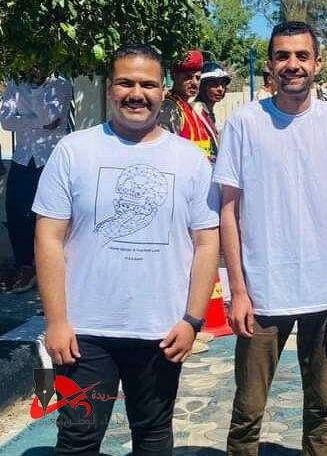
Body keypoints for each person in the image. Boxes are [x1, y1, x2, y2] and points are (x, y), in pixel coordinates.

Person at [33, 44, 220, 455]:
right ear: (109, 89)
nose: (137, 94)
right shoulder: (74, 151)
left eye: (148, 84)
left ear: (162, 90)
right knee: (78, 439)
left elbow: (207, 243)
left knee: (153, 436)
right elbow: (48, 237)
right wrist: (57, 321)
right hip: (84, 333)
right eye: (126, 83)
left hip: (161, 331)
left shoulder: (190, 159)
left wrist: (192, 319)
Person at [214, 21, 327, 455]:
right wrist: (238, 291)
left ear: (317, 63)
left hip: (323, 290)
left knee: (321, 407)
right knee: (247, 411)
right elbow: (228, 210)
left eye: (301, 55)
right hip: (263, 292)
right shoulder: (245, 123)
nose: (292, 65)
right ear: (270, 64)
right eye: (283, 56)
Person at [0, 72, 72, 292]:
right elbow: (6, 122)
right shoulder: (15, 82)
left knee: (48, 215)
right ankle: (24, 265)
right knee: (15, 211)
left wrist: (36, 95)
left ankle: (45, 266)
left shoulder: (60, 84)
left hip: (49, 159)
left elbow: (49, 117)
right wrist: (38, 123)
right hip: (23, 157)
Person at [157, 50, 214, 160]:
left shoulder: (193, 109)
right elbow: (165, 154)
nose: (194, 83)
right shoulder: (169, 108)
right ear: (174, 76)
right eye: (188, 77)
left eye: (198, 78)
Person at [193, 61, 232, 162]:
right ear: (202, 86)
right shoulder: (195, 113)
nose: (220, 89)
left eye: (223, 84)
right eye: (214, 84)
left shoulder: (209, 113)